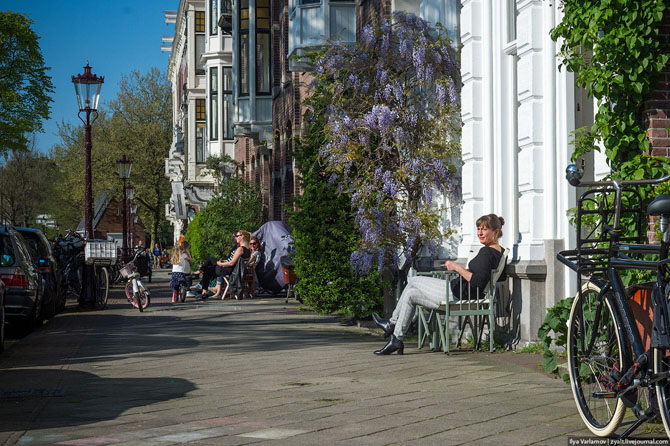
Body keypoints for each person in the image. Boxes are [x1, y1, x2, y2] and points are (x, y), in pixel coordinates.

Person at [371, 214, 507, 355]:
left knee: (414, 281)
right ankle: (396, 339)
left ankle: (391, 324)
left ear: (496, 232)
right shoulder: (500, 253)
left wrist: (456, 267)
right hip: (461, 292)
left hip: (456, 294)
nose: (479, 233)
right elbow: (498, 277)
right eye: (478, 229)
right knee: (411, 295)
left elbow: (478, 282)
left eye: (484, 229)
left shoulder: (487, 252)